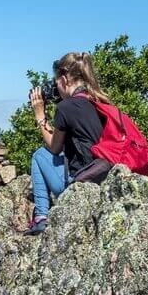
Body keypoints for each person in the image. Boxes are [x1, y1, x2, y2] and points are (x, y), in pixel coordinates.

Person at [24, 52, 109, 235]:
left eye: (56, 84)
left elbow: (54, 148)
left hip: (79, 182)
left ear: (63, 79)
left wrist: (40, 115)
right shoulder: (97, 100)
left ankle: (41, 217)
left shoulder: (66, 108)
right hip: (102, 176)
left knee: (40, 155)